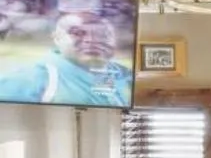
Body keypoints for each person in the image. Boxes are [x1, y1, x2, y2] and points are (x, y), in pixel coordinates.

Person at [0, 9, 132, 106]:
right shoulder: (31, 79)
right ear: (57, 38)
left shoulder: (124, 74)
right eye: (78, 33)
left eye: (103, 34)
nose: (92, 40)